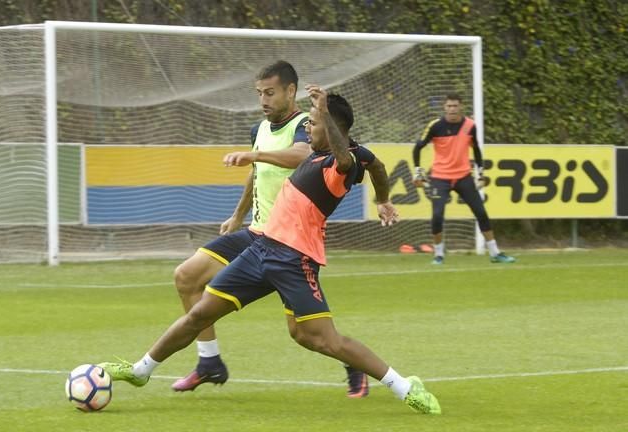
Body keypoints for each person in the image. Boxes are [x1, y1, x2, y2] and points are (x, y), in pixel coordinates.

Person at [99, 86, 440, 415]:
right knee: (201, 313)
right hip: (260, 250)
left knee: (323, 340)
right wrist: (383, 200)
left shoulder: (342, 164)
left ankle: (404, 386)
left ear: (334, 129)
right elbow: (378, 167)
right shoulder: (345, 152)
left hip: (294, 261)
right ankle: (141, 370)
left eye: (314, 122)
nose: (307, 126)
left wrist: (326, 118)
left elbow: (350, 159)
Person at [170, 60, 398, 398]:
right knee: (187, 277)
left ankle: (354, 362)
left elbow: (301, 155)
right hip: (256, 233)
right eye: (259, 93)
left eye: (270, 92)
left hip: (290, 243)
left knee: (306, 334)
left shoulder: (308, 126)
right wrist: (237, 215)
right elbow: (257, 171)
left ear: (291, 91)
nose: (263, 100)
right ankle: (209, 363)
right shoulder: (258, 129)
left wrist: (255, 154)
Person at [412, 93, 515, 265]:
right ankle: (438, 255)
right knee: (437, 216)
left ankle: (495, 253)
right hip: (440, 177)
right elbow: (418, 148)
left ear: (461, 107)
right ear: (444, 107)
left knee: (481, 213)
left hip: (463, 176)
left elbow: (477, 151)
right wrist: (418, 172)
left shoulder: (470, 126)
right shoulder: (435, 126)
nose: (452, 109)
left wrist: (480, 172)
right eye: (449, 106)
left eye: (455, 106)